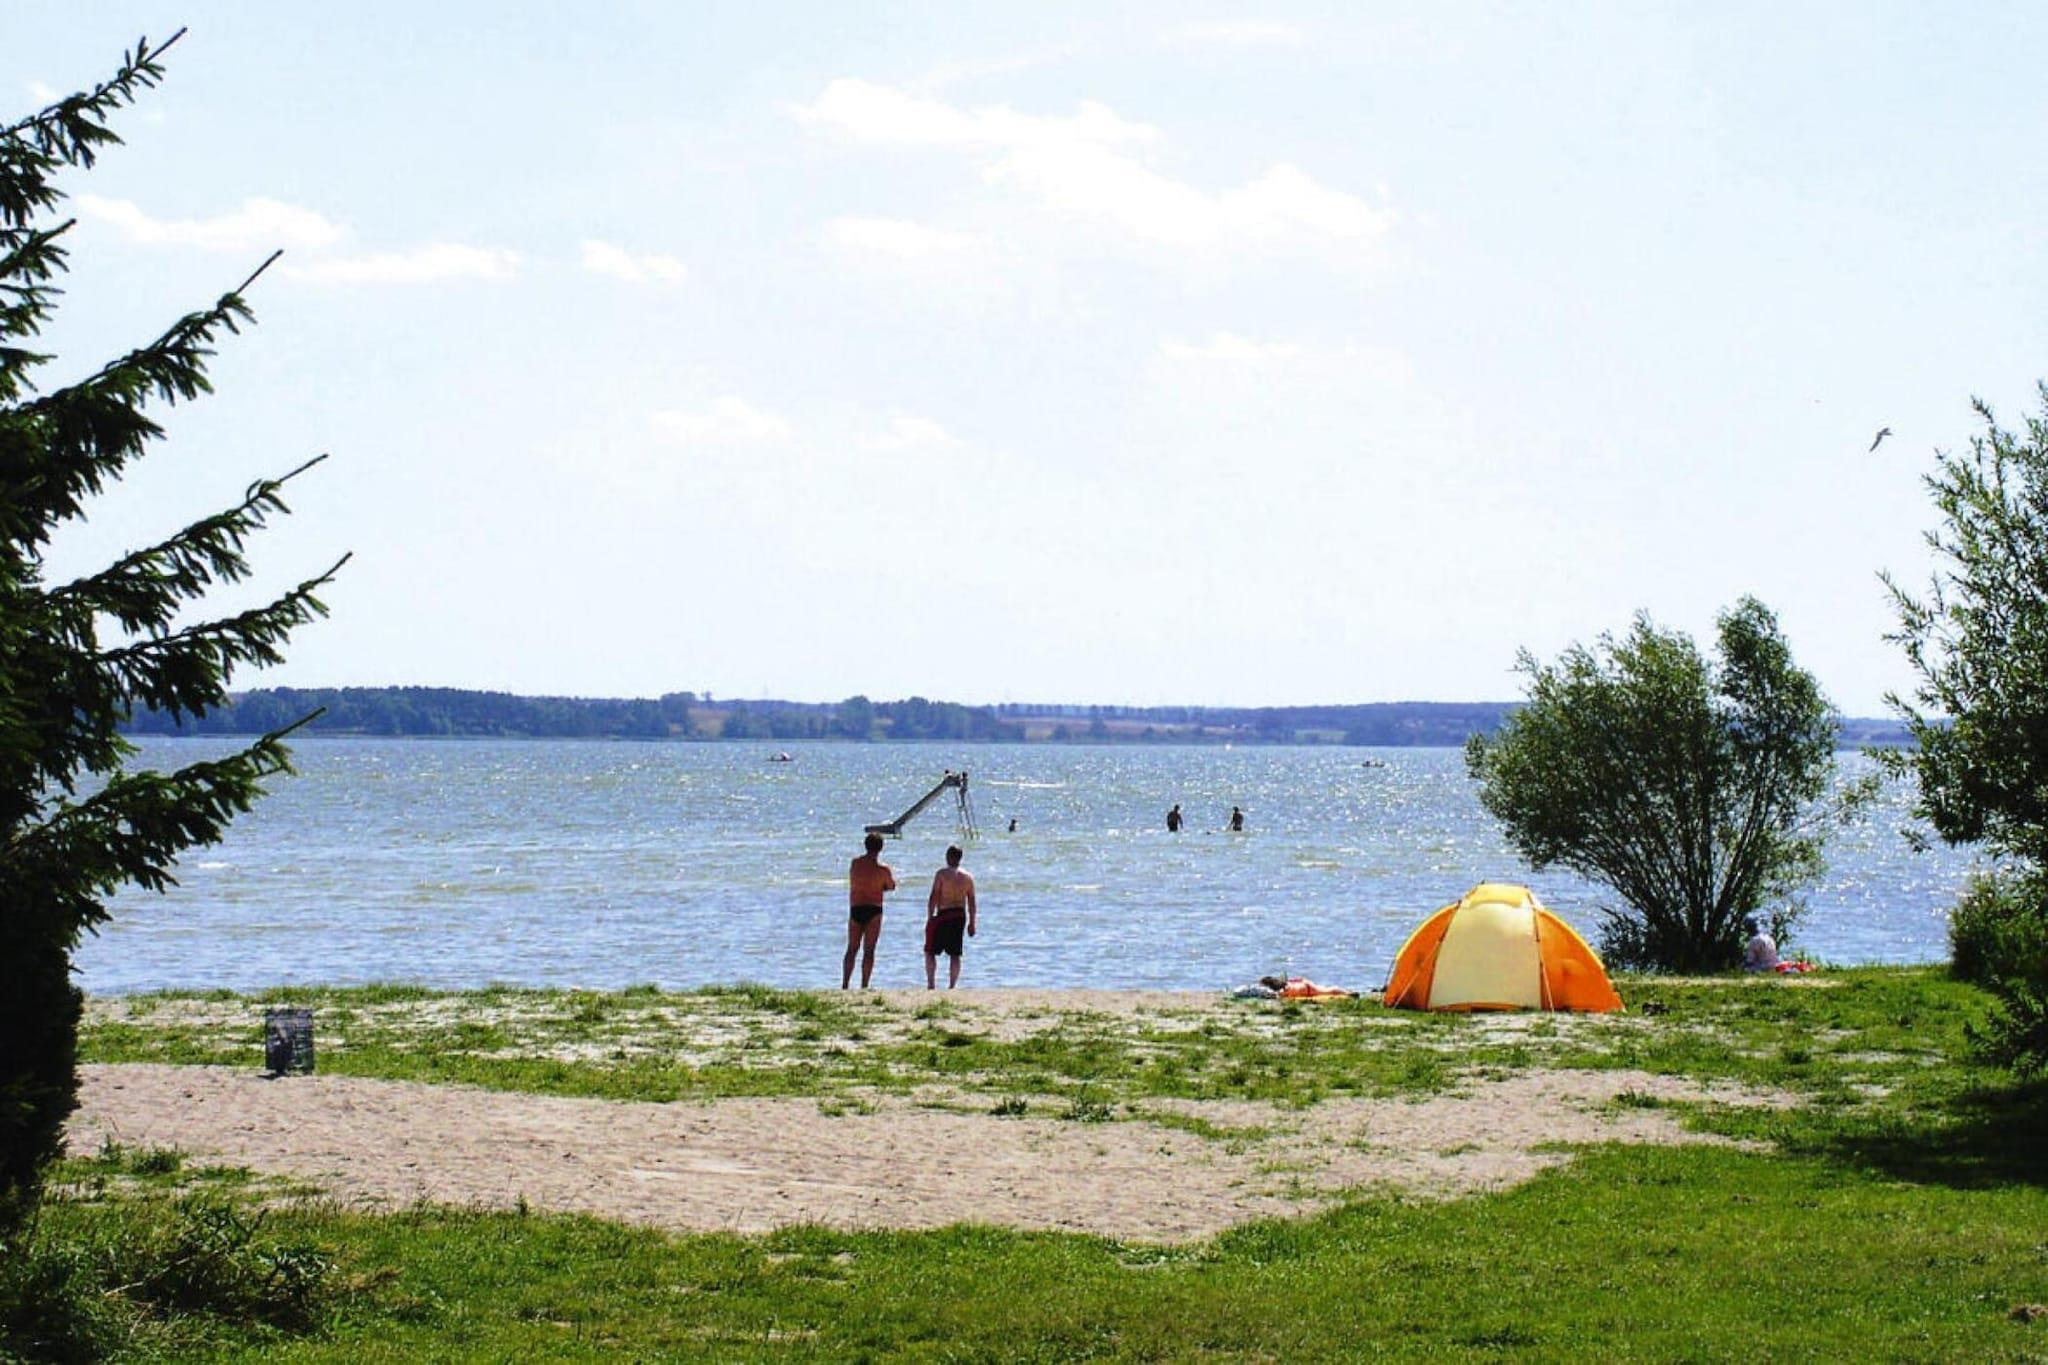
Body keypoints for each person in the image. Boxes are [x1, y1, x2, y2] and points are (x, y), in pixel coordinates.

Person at [843, 833, 895, 989]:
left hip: (856, 907)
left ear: (865, 845)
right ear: (881, 848)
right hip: (874, 908)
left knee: (852, 948)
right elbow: (891, 886)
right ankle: (864, 984)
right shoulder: (883, 869)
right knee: (869, 950)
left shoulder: (855, 864)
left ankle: (845, 983)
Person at [925, 844, 977, 989]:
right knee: (955, 953)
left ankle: (931, 984)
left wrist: (930, 917)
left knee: (930, 951)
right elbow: (972, 902)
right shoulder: (968, 877)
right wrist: (972, 923)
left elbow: (934, 896)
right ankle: (952, 985)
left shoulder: (941, 874)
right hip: (959, 915)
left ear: (948, 857)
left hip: (944, 914)